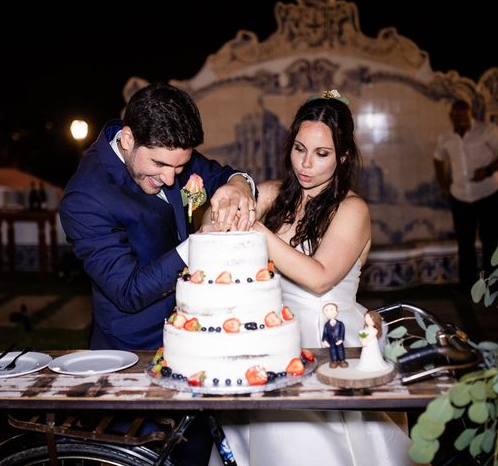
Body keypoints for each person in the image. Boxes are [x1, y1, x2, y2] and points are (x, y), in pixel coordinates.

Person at [209, 91, 414, 466]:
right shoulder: (273, 194)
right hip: (273, 338)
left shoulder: (353, 209)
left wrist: (254, 229)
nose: (305, 164)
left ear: (344, 156)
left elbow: (318, 278)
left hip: (329, 342)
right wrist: (234, 194)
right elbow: (213, 224)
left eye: (321, 154)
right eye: (299, 149)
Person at [59, 82, 256, 466]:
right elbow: (129, 290)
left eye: (179, 168)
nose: (171, 178)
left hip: (194, 346)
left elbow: (218, 175)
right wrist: (199, 242)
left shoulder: (167, 147)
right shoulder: (85, 197)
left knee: (195, 455)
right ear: (129, 139)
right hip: (132, 358)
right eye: (161, 166)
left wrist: (238, 187)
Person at [434, 99, 498, 292]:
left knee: (490, 239)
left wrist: (488, 170)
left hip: (488, 193)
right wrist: (443, 183)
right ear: (452, 116)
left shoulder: (487, 130)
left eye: (464, 114)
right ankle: (468, 285)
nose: (460, 118)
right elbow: (438, 159)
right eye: (456, 115)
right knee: (464, 241)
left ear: (470, 114)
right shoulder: (446, 137)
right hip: (460, 196)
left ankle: (492, 285)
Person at [321, 302, 347, 368]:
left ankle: (342, 360)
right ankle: (334, 361)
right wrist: (325, 340)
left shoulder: (340, 324)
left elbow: (342, 331)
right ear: (324, 314)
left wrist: (341, 339)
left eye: (331, 309)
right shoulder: (326, 325)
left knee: (340, 350)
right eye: (326, 310)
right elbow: (325, 333)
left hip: (339, 341)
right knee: (332, 351)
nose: (329, 312)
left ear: (337, 312)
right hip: (331, 342)